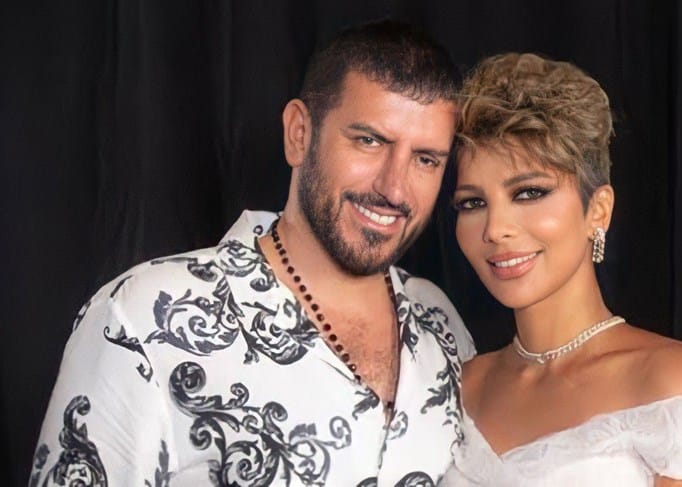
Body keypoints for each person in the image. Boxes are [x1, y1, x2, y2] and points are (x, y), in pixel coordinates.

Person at [30, 20, 474, 486]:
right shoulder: (143, 319)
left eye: (426, 159)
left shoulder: (440, 322)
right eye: (369, 141)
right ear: (299, 133)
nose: (394, 188)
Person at [440, 53, 682, 486]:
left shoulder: (675, 382)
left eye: (529, 193)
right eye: (472, 203)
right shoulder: (456, 388)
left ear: (598, 210)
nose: (495, 229)